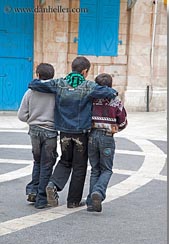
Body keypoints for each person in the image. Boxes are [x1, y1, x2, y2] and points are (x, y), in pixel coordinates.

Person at [28, 56, 118, 209]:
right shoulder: (89, 86)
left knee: (65, 161)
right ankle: (73, 201)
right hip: (81, 133)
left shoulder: (59, 83)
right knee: (79, 167)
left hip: (64, 132)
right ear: (84, 71)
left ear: (72, 68)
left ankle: (53, 184)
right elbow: (111, 93)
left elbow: (34, 84)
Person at [18, 63, 58, 209]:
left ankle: (33, 191)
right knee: (47, 164)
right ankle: (41, 199)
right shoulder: (56, 92)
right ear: (53, 76)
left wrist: (33, 119)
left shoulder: (30, 92)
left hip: (34, 131)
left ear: (38, 75)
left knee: (37, 162)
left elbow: (21, 115)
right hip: (50, 132)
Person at [86, 73, 128, 212]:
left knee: (95, 169)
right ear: (110, 85)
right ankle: (98, 191)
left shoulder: (91, 99)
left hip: (92, 136)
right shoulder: (115, 101)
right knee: (107, 169)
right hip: (107, 138)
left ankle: (91, 203)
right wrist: (115, 127)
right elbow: (122, 121)